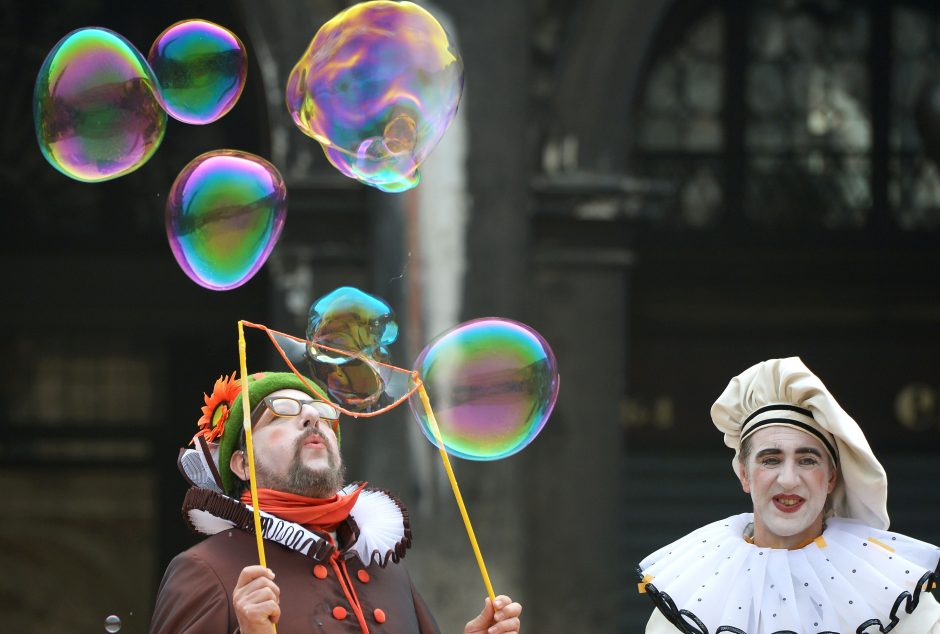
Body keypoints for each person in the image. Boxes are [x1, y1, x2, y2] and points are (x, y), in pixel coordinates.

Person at [151, 371, 523, 633]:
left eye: (324, 414)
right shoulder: (204, 568)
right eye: (282, 412)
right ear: (243, 463)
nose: (314, 415)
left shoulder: (382, 565)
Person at [636, 357, 940, 633]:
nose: (789, 480)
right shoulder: (694, 595)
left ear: (832, 477)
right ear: (744, 474)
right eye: (771, 460)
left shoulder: (893, 595)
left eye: (807, 460)